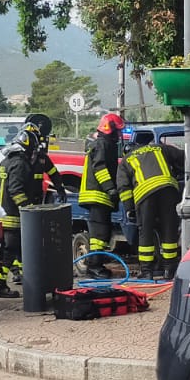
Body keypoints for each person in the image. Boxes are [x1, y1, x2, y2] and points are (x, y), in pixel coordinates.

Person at [118, 129, 180, 279]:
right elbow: (184, 158)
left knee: (145, 231)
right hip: (168, 190)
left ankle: (147, 272)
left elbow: (124, 187)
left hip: (145, 195)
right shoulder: (160, 148)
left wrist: (129, 209)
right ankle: (169, 270)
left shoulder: (127, 159)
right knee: (169, 228)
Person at [0, 125, 43, 298]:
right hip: (12, 217)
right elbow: (16, 190)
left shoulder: (6, 161)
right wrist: (28, 208)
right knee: (10, 251)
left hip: (1, 214)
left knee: (6, 251)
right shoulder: (21, 164)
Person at [79, 112, 124, 273]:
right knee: (99, 234)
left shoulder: (104, 144)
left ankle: (97, 263)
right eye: (117, 131)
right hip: (97, 194)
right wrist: (110, 188)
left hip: (100, 195)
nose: (119, 135)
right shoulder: (102, 144)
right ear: (109, 129)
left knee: (103, 232)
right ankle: (94, 266)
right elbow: (100, 168)